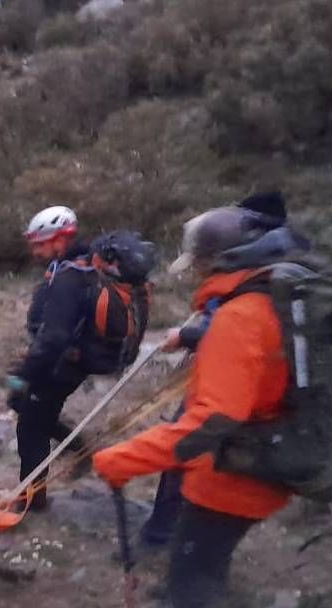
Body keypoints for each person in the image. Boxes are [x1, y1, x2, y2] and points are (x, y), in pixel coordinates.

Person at [93, 201, 311, 608]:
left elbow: (212, 422)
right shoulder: (283, 291)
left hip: (240, 469)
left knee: (193, 577)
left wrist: (124, 458)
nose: (198, 274)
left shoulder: (241, 316)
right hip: (277, 450)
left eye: (203, 264)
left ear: (225, 260)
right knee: (205, 559)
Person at [135, 192, 292, 553]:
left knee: (185, 449)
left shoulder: (255, 289)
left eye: (203, 262)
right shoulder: (272, 271)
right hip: (257, 390)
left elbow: (242, 331)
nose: (199, 270)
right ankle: (181, 539)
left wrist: (188, 334)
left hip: (239, 389)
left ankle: (166, 540)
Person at [6, 206, 95, 511]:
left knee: (30, 429)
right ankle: (77, 448)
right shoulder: (72, 266)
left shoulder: (72, 275)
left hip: (61, 362)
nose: (35, 250)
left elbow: (56, 336)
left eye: (40, 243)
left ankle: (30, 503)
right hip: (61, 358)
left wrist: (28, 373)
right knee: (22, 406)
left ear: (61, 238)